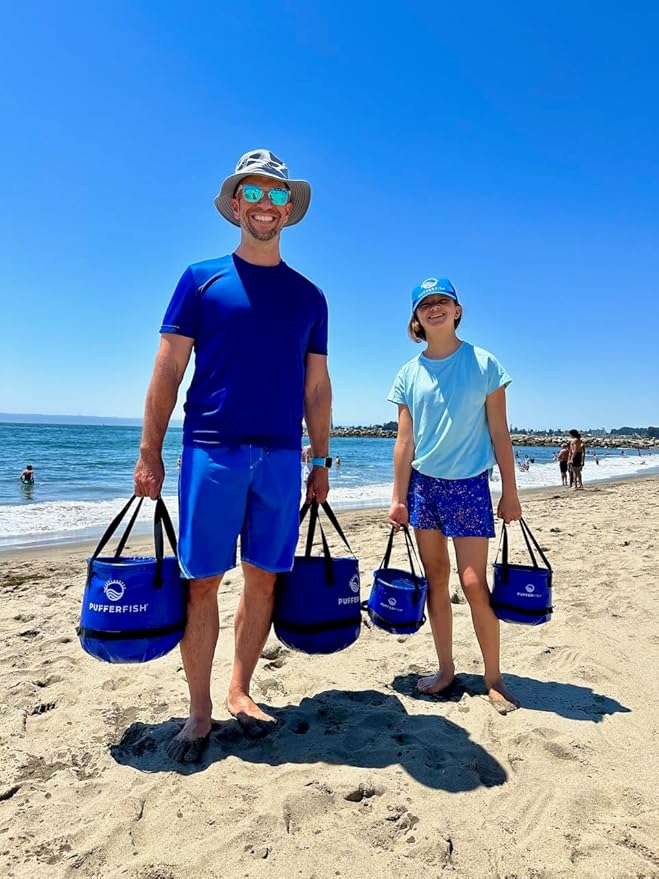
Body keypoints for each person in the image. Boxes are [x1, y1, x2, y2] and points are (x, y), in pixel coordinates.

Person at [134, 149, 332, 762]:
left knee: (264, 580)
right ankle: (199, 712)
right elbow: (169, 367)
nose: (266, 203)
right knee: (201, 584)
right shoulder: (200, 279)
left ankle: (240, 690)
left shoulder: (309, 297)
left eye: (277, 193)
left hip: (279, 455)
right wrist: (150, 451)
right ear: (237, 203)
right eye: (256, 192)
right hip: (210, 450)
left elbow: (317, 386)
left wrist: (320, 460)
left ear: (288, 208)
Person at [388, 277, 522, 714]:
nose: (435, 308)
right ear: (416, 318)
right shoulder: (409, 373)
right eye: (426, 304)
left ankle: (494, 678)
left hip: (469, 485)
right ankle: (445, 670)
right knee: (436, 582)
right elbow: (404, 442)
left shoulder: (484, 364)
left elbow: (500, 433)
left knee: (473, 584)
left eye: (442, 301)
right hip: (424, 487)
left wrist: (511, 492)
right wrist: (398, 497)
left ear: (458, 309)